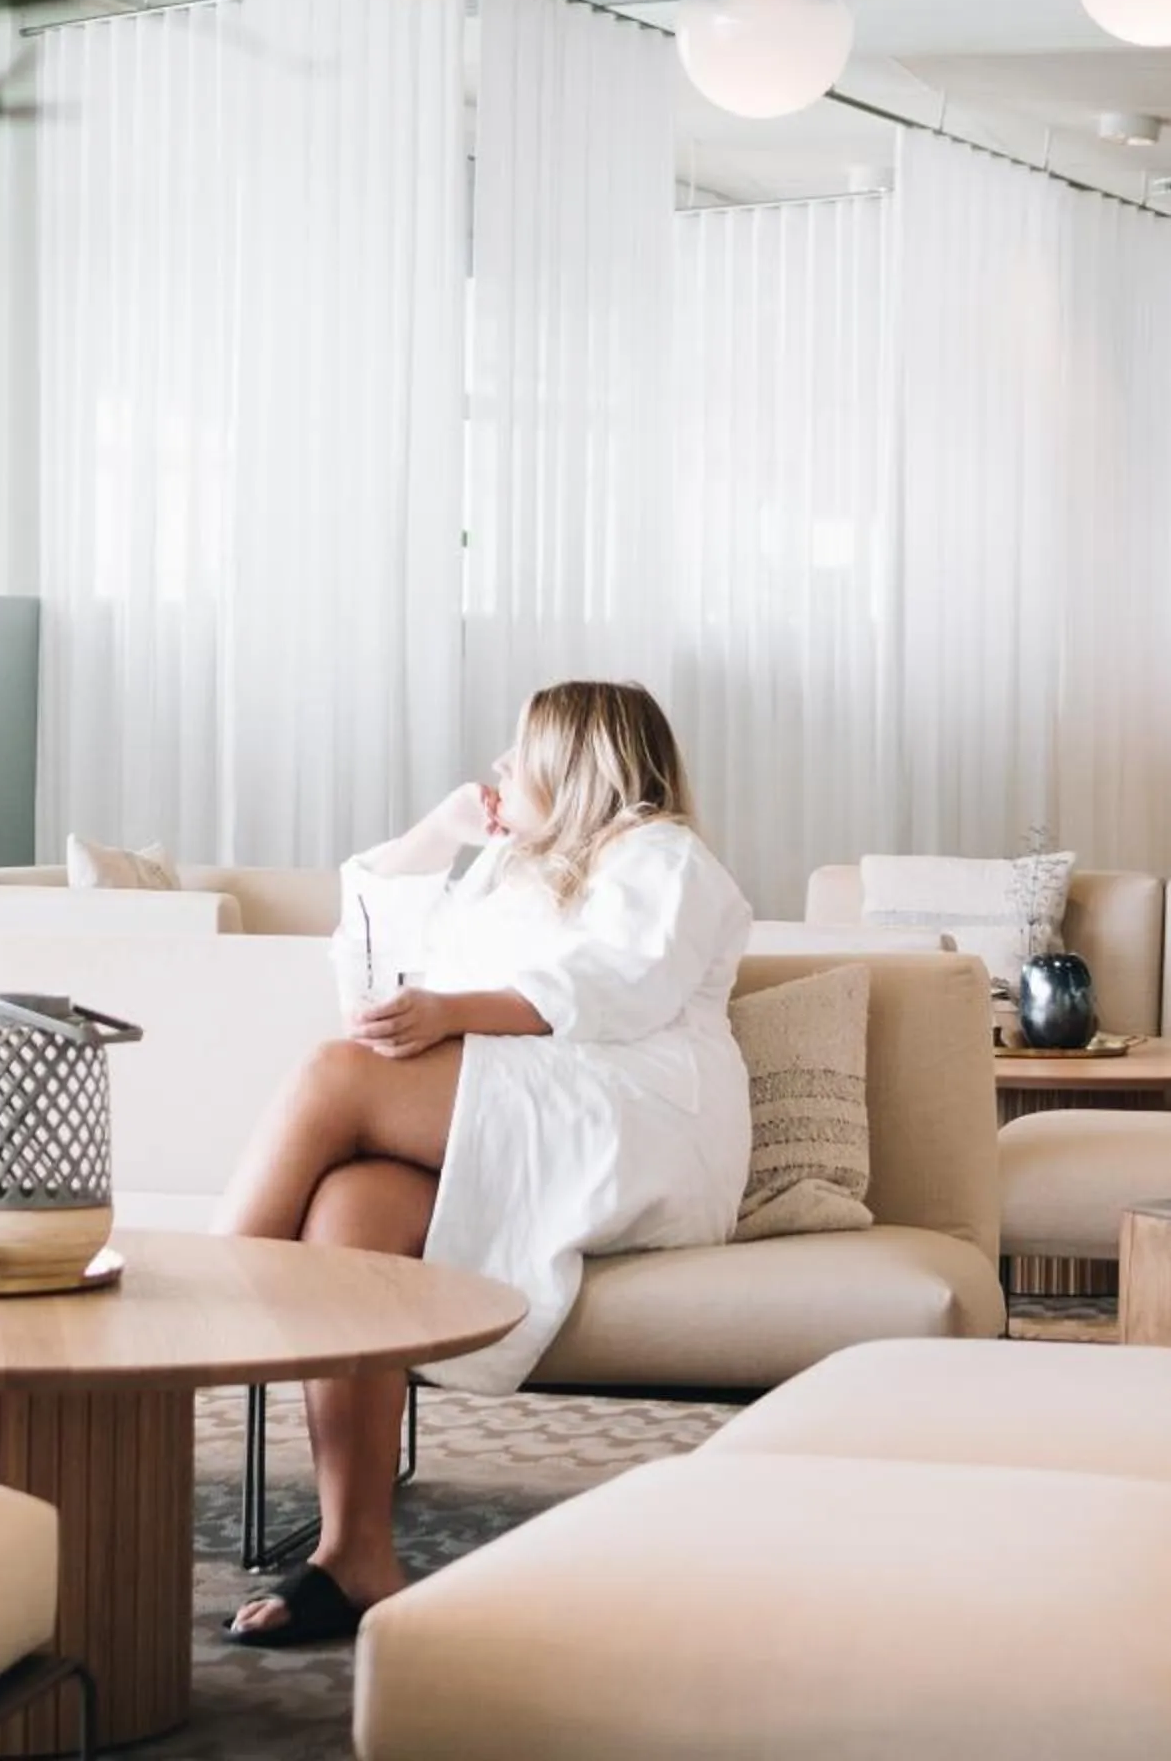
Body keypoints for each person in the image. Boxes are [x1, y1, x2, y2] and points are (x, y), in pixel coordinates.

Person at [217, 678, 753, 1648]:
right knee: (351, 1211)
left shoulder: (663, 852)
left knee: (333, 1080)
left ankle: (194, 1316)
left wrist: (452, 1013)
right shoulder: (509, 869)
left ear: (574, 765)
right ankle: (354, 1551)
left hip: (638, 1117)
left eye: (519, 752)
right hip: (522, 1107)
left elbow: (618, 986)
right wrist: (436, 838)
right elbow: (380, 986)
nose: (500, 769)